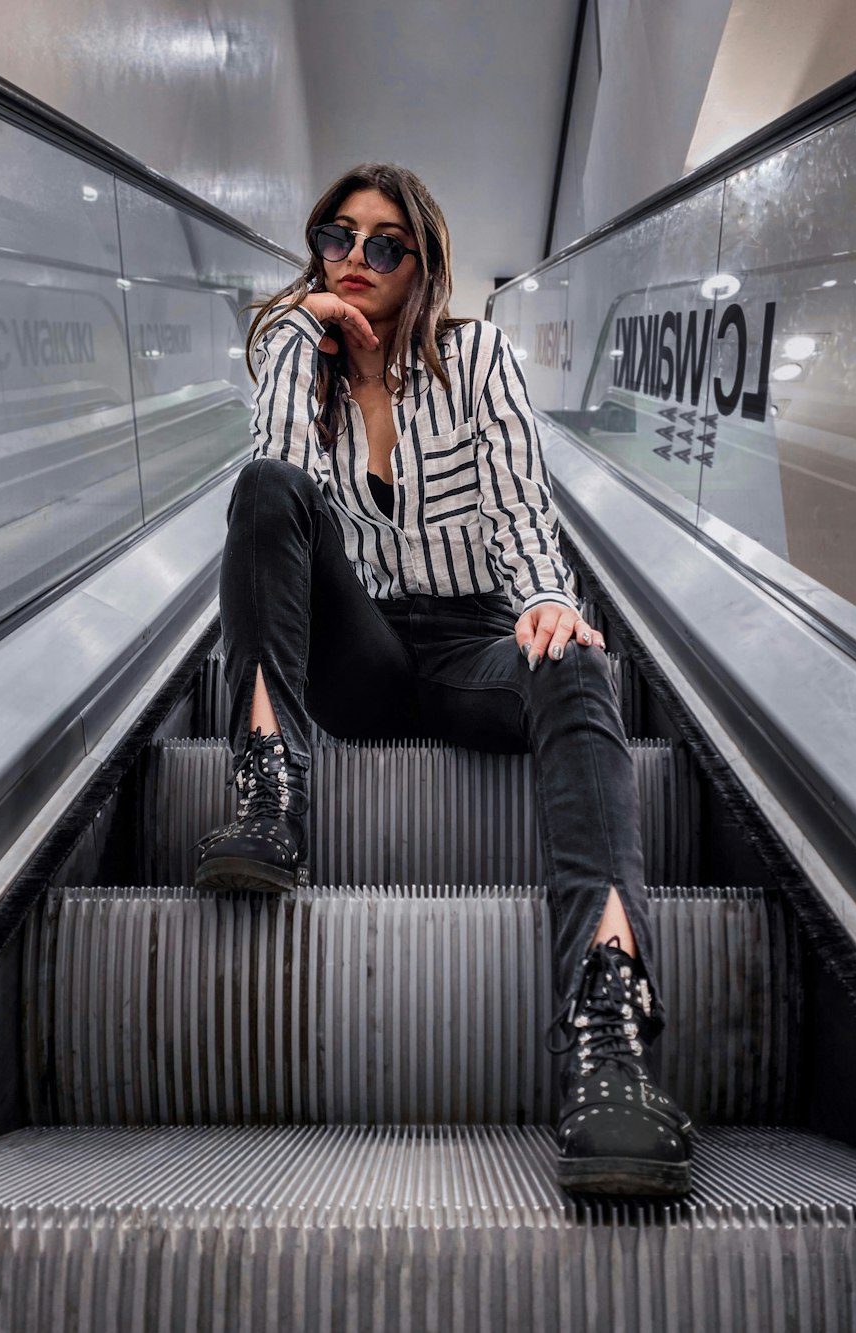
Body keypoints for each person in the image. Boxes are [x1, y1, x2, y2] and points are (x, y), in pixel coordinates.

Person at [195, 162, 692, 1195]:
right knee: (267, 486)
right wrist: (297, 326)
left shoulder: (476, 359)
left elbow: (516, 508)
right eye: (338, 236)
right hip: (361, 652)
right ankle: (266, 784)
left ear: (423, 263)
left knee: (576, 662)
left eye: (385, 244)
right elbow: (278, 475)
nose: (357, 259)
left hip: (475, 643)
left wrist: (546, 602)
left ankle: (610, 1031)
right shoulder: (308, 367)